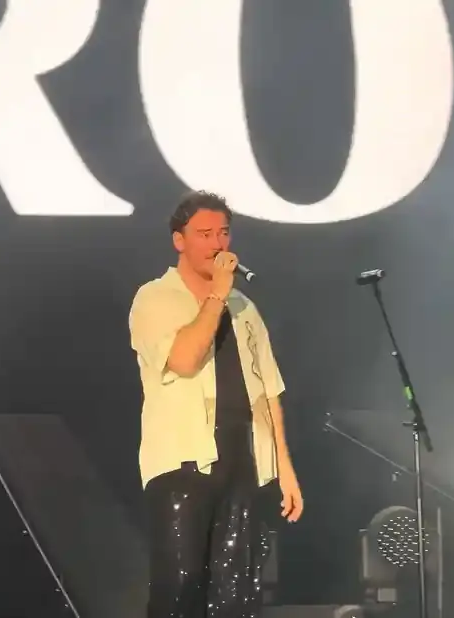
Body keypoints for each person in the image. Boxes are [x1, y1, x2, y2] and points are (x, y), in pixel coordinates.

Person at [129, 190, 304, 618]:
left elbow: (268, 393)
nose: (217, 243)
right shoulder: (155, 298)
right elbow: (185, 360)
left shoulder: (245, 308)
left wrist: (285, 469)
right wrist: (216, 296)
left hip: (241, 462)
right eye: (204, 233)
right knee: (181, 586)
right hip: (182, 462)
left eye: (223, 233)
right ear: (179, 240)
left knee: (235, 595)